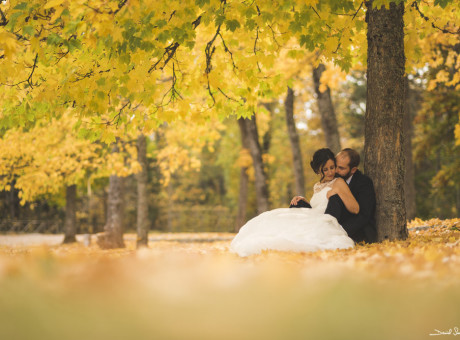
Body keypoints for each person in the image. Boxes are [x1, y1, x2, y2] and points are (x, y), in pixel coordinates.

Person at [230, 148, 355, 257]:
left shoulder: (338, 182)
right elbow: (319, 205)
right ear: (318, 170)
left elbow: (355, 208)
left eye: (332, 168)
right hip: (316, 215)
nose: (330, 172)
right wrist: (304, 201)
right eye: (325, 169)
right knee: (295, 204)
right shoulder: (318, 185)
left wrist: (336, 192)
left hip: (327, 220)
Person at [324, 148, 377, 243]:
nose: (336, 170)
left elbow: (364, 216)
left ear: (353, 170)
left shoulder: (364, 182)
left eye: (341, 168)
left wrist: (340, 231)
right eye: (335, 166)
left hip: (356, 232)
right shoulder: (331, 179)